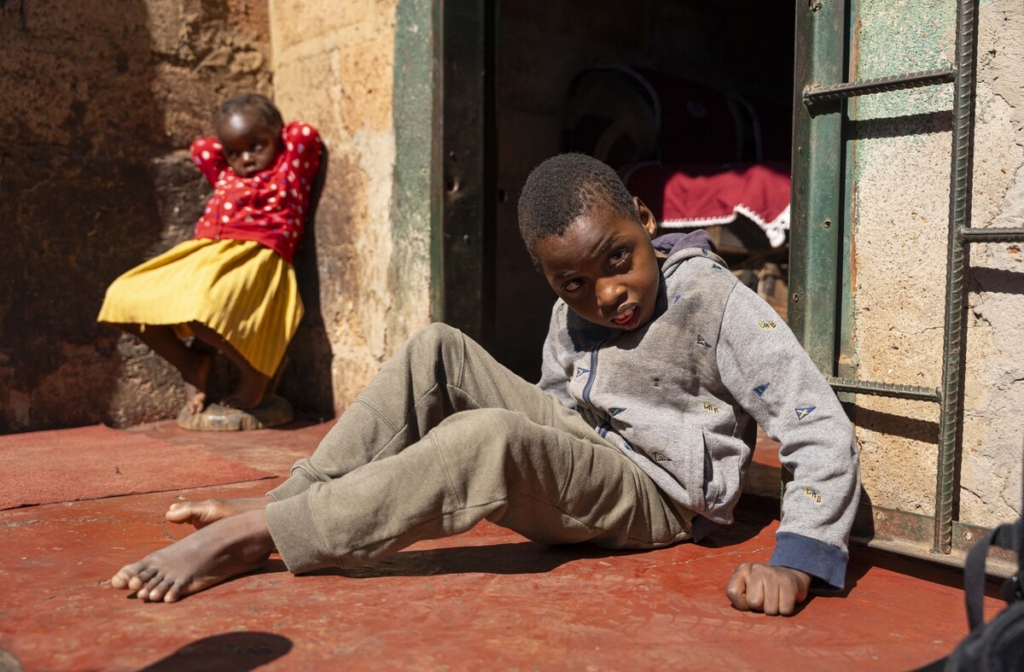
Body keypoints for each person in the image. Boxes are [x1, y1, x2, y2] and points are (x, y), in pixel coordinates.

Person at [110, 153, 859, 616]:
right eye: (573, 282)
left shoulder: (711, 299)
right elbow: (558, 407)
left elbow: (815, 420)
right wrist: (551, 448)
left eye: (621, 259)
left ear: (644, 219)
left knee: (486, 440)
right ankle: (290, 499)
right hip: (596, 457)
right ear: (549, 277)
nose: (607, 294)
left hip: (660, 498)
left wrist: (798, 558)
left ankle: (260, 534)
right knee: (438, 346)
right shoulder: (573, 310)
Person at [97, 94, 322, 413]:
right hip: (206, 253)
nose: (245, 158)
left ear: (276, 136)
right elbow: (202, 148)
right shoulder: (227, 174)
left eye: (256, 145)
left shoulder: (288, 171)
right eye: (234, 151)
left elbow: (303, 134)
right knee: (123, 297)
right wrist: (240, 139)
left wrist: (273, 134)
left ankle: (255, 375)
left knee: (203, 313)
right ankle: (191, 364)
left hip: (256, 256)